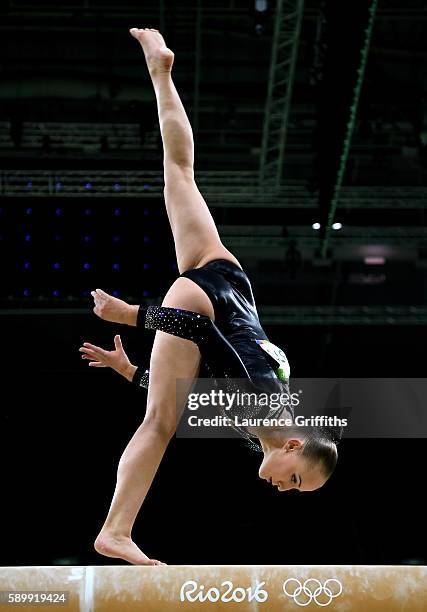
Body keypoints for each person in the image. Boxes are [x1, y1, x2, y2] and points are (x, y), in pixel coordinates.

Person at [78, 28, 340, 566]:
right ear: (293, 447)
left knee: (179, 172)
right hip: (204, 305)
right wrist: (131, 315)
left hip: (225, 277)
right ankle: (115, 531)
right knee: (157, 426)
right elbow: (199, 334)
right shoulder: (263, 403)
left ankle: (161, 72)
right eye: (295, 482)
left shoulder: (262, 419)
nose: (285, 491)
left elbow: (198, 382)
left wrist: (131, 373)